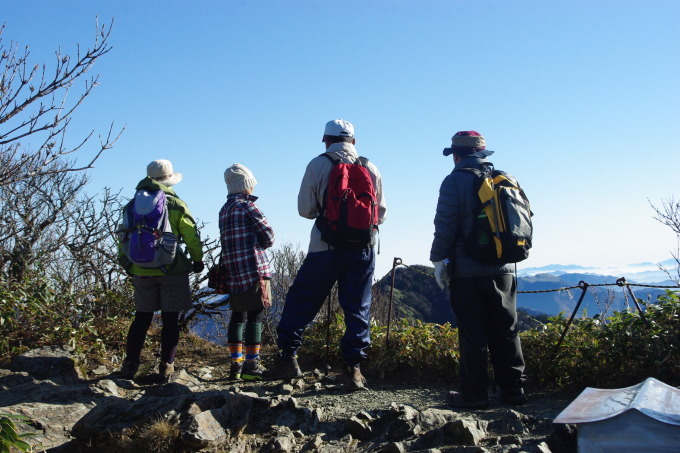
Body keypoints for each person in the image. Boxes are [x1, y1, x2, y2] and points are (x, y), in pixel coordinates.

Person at [276, 119, 387, 390]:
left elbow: (305, 209)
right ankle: (354, 368)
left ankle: (289, 360)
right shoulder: (369, 166)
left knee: (302, 300)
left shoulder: (318, 164)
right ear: (354, 141)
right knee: (358, 306)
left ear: (325, 139)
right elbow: (380, 213)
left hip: (325, 247)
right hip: (363, 249)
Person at [430, 131, 528, 408]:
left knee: (473, 333)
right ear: (483, 153)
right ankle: (514, 391)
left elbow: (445, 225)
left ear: (456, 155)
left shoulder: (454, 181)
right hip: (505, 267)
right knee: (507, 329)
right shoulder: (503, 179)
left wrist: (439, 260)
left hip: (468, 270)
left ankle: (475, 395)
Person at [118, 159, 205, 381]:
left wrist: (127, 263)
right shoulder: (175, 204)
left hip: (141, 269)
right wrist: (197, 259)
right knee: (170, 320)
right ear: (168, 180)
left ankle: (130, 365)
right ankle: (166, 366)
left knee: (141, 318)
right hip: (171, 269)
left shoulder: (131, 205)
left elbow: (123, 237)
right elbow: (191, 236)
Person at [220, 163, 275, 381]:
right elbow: (269, 236)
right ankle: (253, 364)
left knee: (237, 315)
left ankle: (236, 363)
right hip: (254, 268)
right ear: (246, 186)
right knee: (255, 315)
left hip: (232, 271)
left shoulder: (224, 209)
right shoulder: (248, 207)